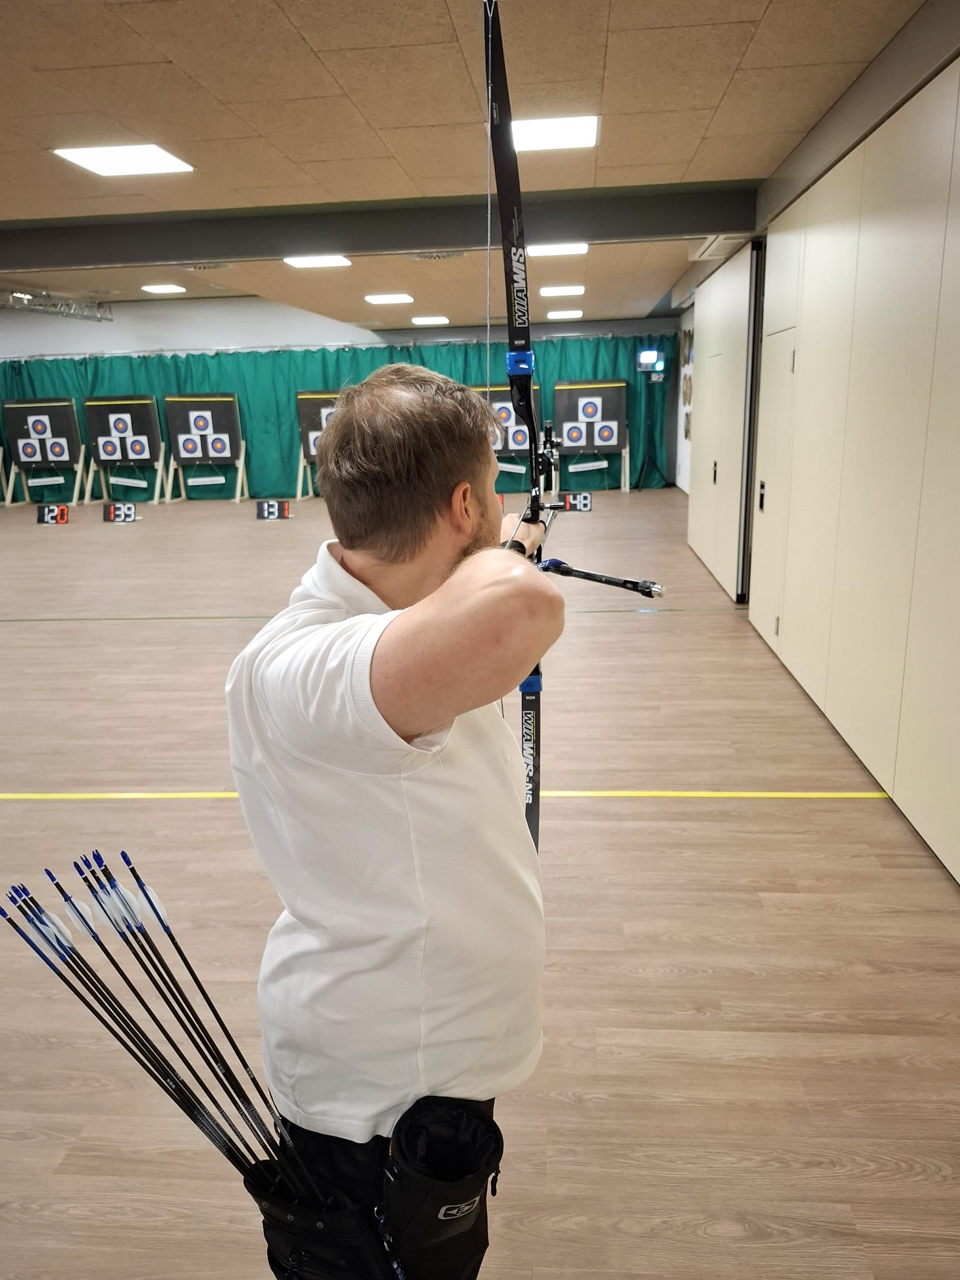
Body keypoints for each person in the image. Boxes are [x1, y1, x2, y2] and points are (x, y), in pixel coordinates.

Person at [225, 363, 565, 1279]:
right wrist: (509, 554)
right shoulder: (303, 664)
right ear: (461, 505)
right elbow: (517, 612)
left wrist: (507, 539)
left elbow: (482, 608)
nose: (498, 516)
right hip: (373, 1096)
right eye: (489, 498)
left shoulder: (402, 622)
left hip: (427, 1062)